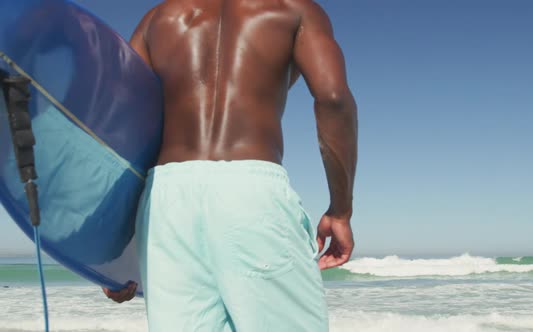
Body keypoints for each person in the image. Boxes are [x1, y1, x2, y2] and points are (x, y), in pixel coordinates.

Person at [103, 0, 357, 330]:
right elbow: (333, 97)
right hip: (250, 189)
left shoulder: (157, 19)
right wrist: (341, 210)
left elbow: (120, 123)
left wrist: (112, 250)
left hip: (166, 198)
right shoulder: (294, 9)